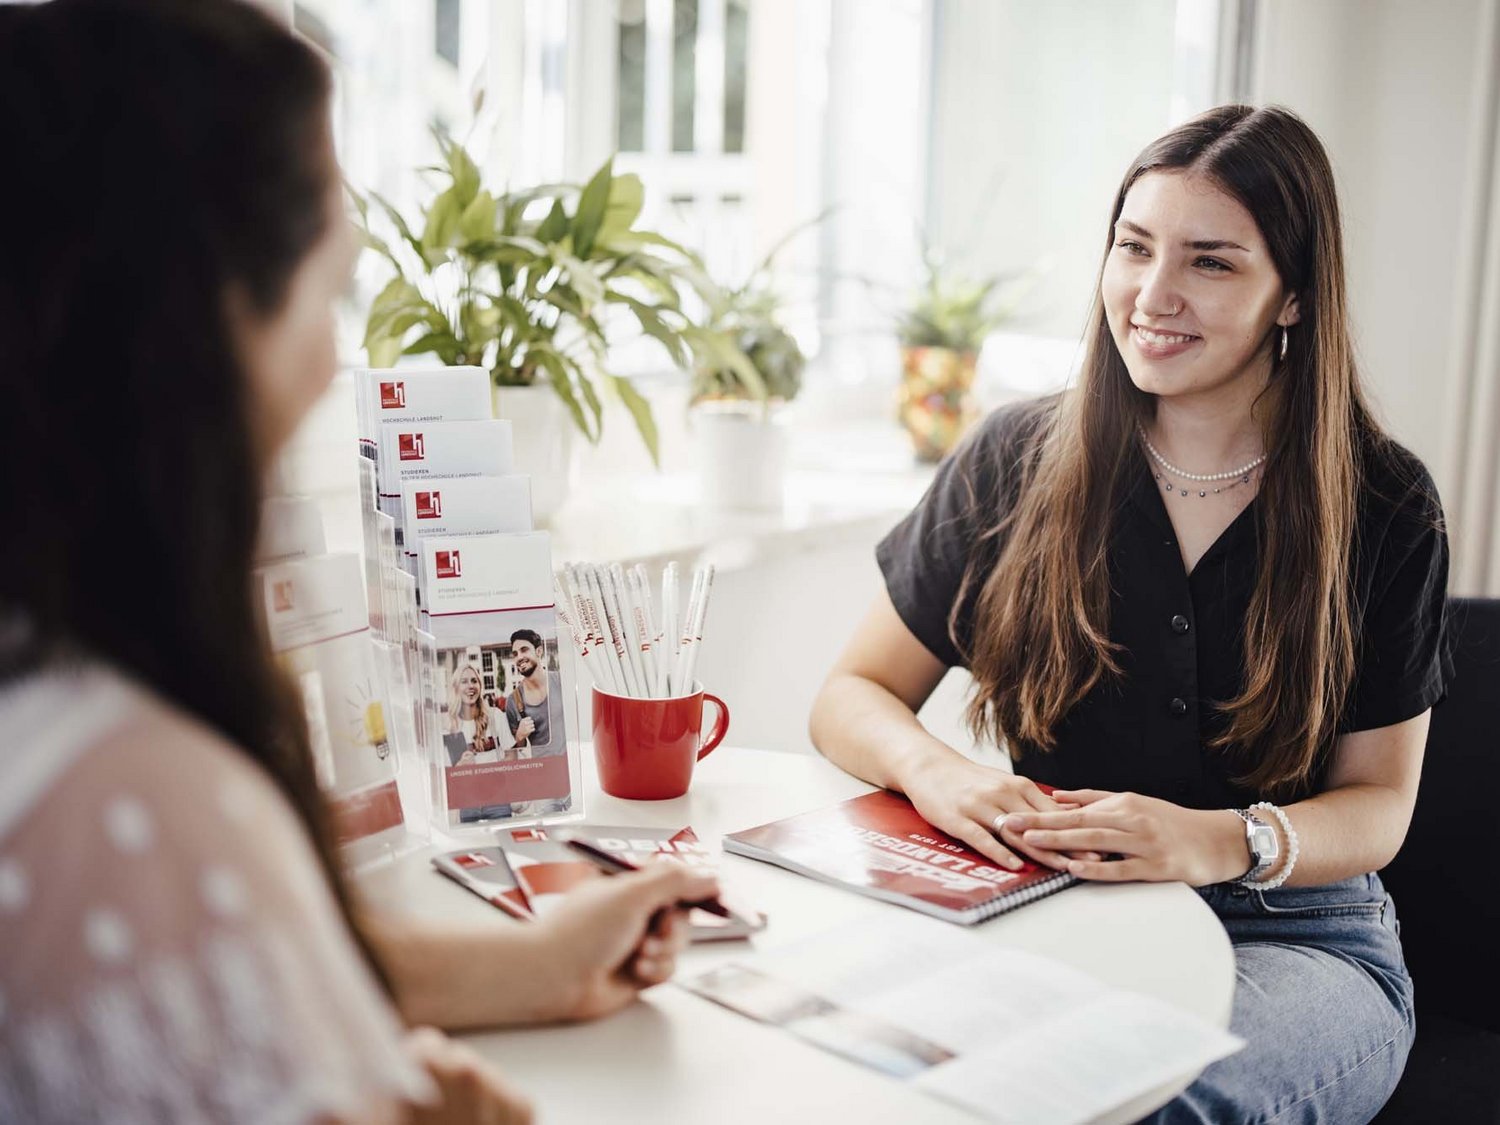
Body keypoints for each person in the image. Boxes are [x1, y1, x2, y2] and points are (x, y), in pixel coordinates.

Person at [0, 2, 717, 1122]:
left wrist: (525, 970)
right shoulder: (137, 797)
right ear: (204, 318)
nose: (338, 354)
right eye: (334, 292)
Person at [810, 104, 1446, 1124]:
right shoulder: (1016, 458)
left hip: (1293, 936)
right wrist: (938, 772)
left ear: (1294, 296)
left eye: (1211, 263)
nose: (1154, 296)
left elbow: (1380, 808)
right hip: (1054, 913)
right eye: (1134, 247)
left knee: (1146, 1102)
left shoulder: (1384, 504)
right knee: (864, 1067)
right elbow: (852, 693)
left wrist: (1219, 841)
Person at [504, 630, 564, 755]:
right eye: (515, 654)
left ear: (539, 651)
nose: (519, 657)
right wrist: (519, 736)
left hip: (570, 761)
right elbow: (518, 750)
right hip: (542, 768)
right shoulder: (513, 701)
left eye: (524, 650)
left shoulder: (561, 681)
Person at [448, 664, 513, 764]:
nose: (470, 686)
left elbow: (512, 757)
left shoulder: (495, 716)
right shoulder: (449, 726)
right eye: (464, 682)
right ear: (456, 688)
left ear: (480, 686)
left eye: (474, 681)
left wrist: (485, 772)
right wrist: (460, 766)